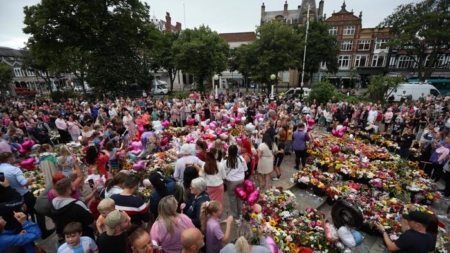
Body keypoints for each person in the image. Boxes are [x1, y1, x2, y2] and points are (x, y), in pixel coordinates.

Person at [0, 152, 53, 239]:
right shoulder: (14, 169)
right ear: (9, 159)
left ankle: (28, 234)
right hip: (23, 195)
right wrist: (30, 180)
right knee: (38, 212)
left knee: (21, 217)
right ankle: (43, 232)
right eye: (12, 158)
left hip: (10, 199)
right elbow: (23, 183)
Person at [51, 178, 95, 242]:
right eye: (73, 186)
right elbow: (90, 221)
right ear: (68, 190)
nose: (75, 187)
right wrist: (96, 229)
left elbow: (55, 221)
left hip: (67, 237)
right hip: (83, 236)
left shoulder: (52, 203)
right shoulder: (77, 204)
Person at [221, 145, 247, 218]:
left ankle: (234, 212)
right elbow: (245, 169)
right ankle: (240, 212)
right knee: (240, 196)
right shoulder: (241, 159)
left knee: (232, 197)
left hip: (232, 181)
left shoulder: (226, 161)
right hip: (241, 180)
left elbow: (223, 171)